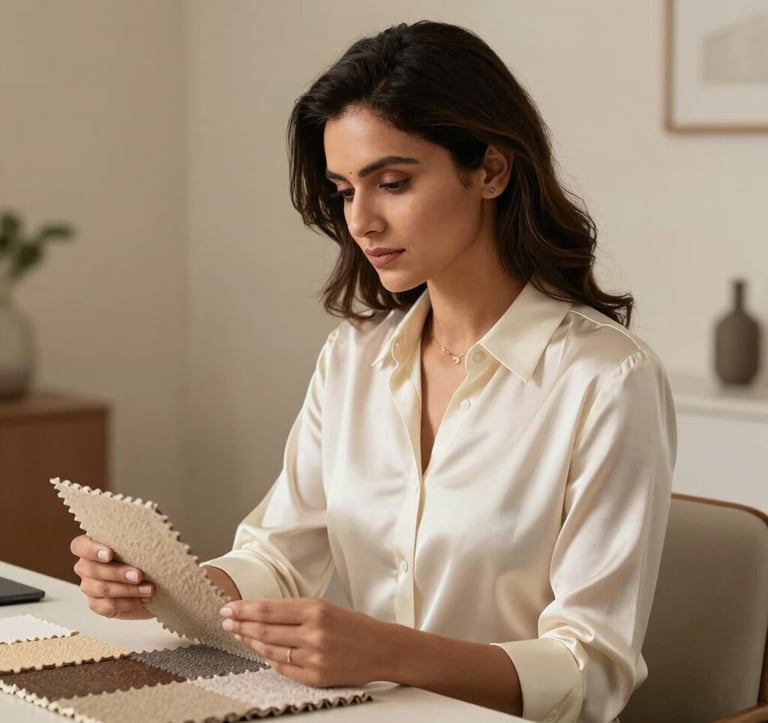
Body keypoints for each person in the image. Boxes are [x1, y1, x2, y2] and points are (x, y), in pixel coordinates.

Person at [70, 20, 676, 723]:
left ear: (491, 169)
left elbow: (591, 670)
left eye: (392, 182)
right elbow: (280, 555)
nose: (362, 220)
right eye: (343, 190)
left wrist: (389, 651)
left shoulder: (607, 380)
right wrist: (171, 587)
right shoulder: (354, 358)